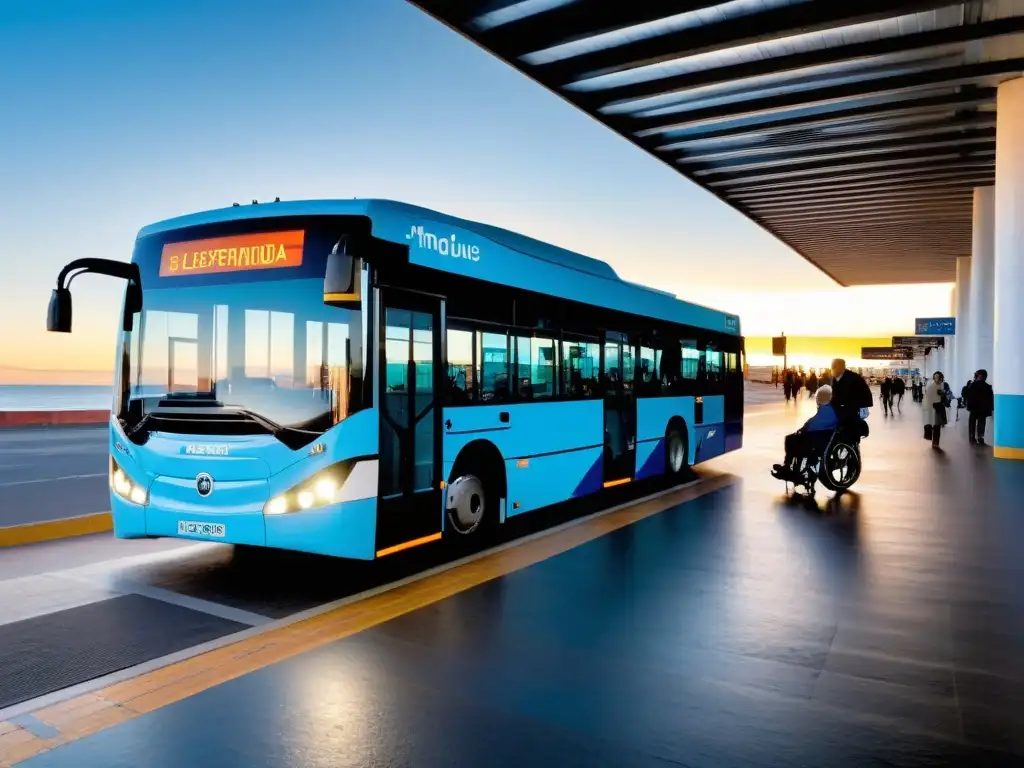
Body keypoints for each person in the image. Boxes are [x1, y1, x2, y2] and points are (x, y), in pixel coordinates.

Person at [772, 384, 839, 481]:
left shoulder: (827, 410)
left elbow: (814, 423)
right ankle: (789, 467)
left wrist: (803, 429)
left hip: (818, 438)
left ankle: (789, 468)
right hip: (819, 435)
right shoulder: (828, 408)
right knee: (793, 439)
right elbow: (815, 421)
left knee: (791, 440)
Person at [829, 358, 873, 423]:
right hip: (843, 410)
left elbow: (864, 395)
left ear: (842, 366)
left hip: (854, 410)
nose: (832, 368)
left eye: (834, 366)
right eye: (832, 366)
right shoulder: (835, 377)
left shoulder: (853, 378)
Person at [966, 369, 994, 445]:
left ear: (979, 376)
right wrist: (991, 408)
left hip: (974, 408)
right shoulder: (988, 387)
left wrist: (968, 406)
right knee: (982, 422)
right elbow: (991, 399)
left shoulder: (972, 385)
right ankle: (980, 437)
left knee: (972, 422)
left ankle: (972, 436)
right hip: (983, 408)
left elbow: (968, 396)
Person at [923, 371, 949, 449]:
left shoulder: (943, 386)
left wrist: (944, 395)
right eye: (936, 377)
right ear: (934, 378)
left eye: (939, 378)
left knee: (937, 426)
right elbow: (927, 398)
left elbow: (945, 397)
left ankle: (935, 442)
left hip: (939, 407)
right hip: (932, 407)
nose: (938, 379)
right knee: (934, 425)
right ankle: (934, 441)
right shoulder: (931, 387)